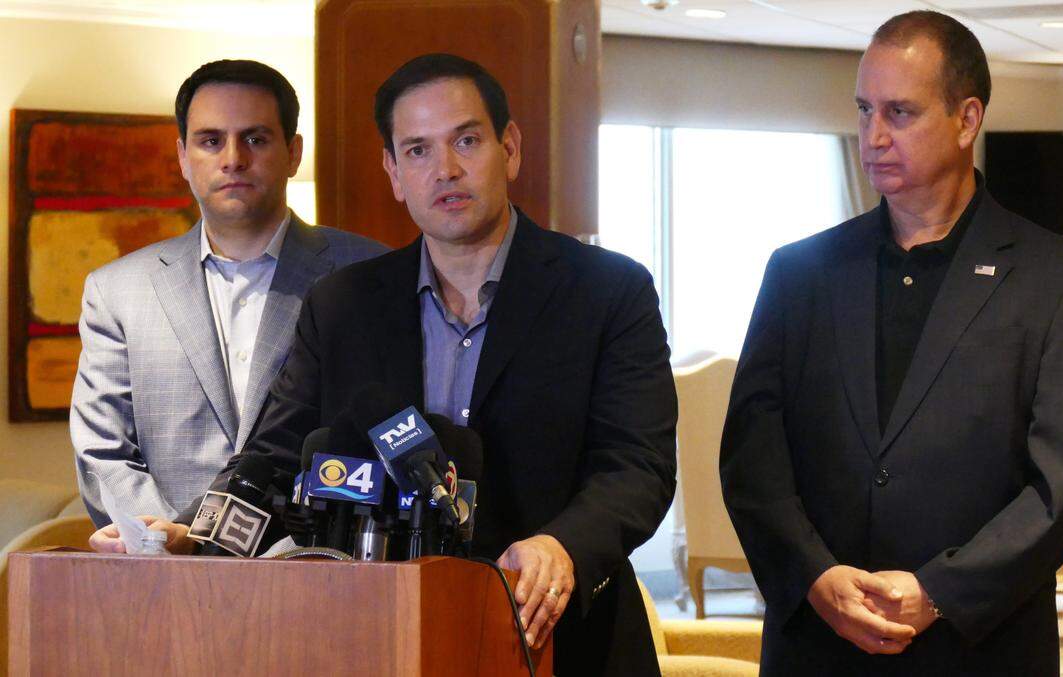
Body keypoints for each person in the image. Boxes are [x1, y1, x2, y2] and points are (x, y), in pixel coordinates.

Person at [90, 54, 677, 676]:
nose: (445, 169)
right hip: (381, 640)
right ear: (394, 172)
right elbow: (274, 461)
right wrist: (194, 537)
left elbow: (636, 465)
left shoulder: (608, 291)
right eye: (417, 150)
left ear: (509, 148)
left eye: (466, 141)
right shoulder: (343, 303)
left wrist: (563, 546)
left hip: (560, 638)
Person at [720, 11, 1063, 676]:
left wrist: (939, 590)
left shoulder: (1061, 279)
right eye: (864, 110)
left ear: (966, 119)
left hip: (979, 647)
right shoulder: (799, 273)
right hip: (819, 644)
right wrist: (815, 575)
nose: (874, 136)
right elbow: (752, 458)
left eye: (900, 113)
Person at [72, 59, 387, 527]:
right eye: (211, 140)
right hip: (162, 561)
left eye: (255, 139)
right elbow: (103, 453)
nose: (233, 158)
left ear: (293, 153)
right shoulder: (117, 291)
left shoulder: (369, 273)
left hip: (320, 558)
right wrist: (171, 541)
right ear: (183, 156)